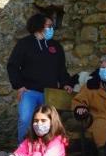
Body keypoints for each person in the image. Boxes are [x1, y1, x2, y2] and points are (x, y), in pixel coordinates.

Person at [5, 12, 74, 143]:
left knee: (48, 124)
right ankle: (24, 150)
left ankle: (45, 150)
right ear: (39, 26)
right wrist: (19, 85)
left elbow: (61, 69)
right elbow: (12, 66)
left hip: (50, 93)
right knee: (25, 120)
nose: (51, 28)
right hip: (29, 91)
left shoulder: (56, 46)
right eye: (49, 25)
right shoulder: (24, 44)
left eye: (52, 26)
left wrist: (66, 83)